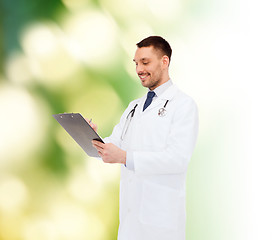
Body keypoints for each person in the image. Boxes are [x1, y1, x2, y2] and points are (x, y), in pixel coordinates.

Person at [91, 36, 198, 240]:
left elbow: (177, 160)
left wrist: (124, 157)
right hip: (130, 224)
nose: (139, 69)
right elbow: (114, 144)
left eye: (145, 62)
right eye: (136, 63)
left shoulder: (183, 105)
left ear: (164, 62)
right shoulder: (133, 107)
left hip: (161, 225)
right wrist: (90, 137)